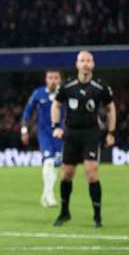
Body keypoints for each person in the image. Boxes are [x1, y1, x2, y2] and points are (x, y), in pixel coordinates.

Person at [51, 51, 115, 227]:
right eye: (82, 60)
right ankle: (64, 212)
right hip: (71, 133)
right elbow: (56, 105)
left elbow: (111, 108)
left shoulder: (100, 87)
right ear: (77, 64)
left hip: (91, 133)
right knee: (67, 174)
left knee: (91, 172)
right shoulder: (67, 86)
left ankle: (97, 216)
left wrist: (111, 132)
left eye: (88, 60)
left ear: (93, 64)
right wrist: (55, 126)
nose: (85, 63)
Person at [21, 70, 64, 207]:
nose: (53, 80)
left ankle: (45, 195)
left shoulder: (65, 94)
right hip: (44, 133)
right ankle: (50, 196)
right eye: (50, 77)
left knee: (56, 164)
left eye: (56, 78)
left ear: (60, 80)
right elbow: (27, 112)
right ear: (46, 79)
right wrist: (24, 130)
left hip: (60, 133)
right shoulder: (38, 93)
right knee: (49, 161)